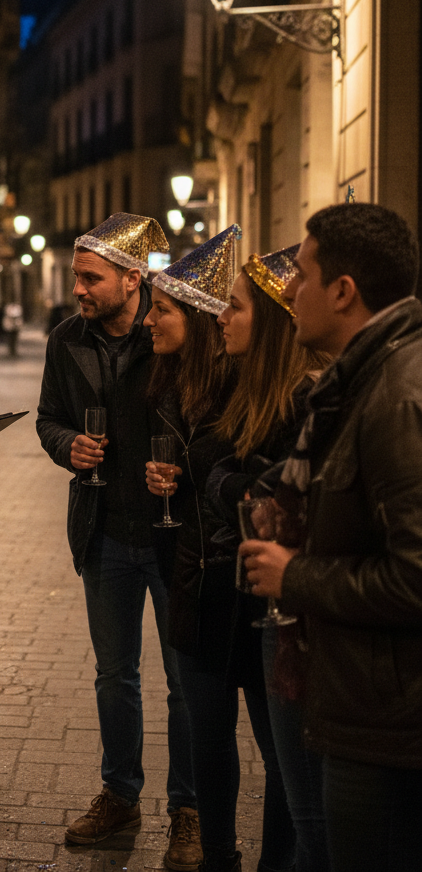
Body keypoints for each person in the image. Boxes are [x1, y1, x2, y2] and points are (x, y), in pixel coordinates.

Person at [239, 203, 422, 872]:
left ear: (344, 291)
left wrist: (296, 575)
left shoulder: (398, 393)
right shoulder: (358, 383)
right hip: (359, 700)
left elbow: (416, 574)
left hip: (387, 723)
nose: (287, 290)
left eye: (303, 274)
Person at [36, 214, 200, 871]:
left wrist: (183, 469)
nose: (77, 288)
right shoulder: (64, 340)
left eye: (89, 278)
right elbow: (49, 418)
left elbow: (205, 415)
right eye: (77, 276)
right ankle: (120, 794)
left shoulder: (170, 331)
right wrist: (64, 446)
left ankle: (188, 810)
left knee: (185, 683)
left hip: (170, 534)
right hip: (103, 530)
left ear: (132, 281)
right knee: (114, 675)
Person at [144, 227, 295, 872]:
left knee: (280, 749)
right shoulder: (167, 382)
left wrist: (208, 475)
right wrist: (176, 483)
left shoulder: (265, 394)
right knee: (207, 737)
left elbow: (268, 496)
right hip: (199, 576)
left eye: (163, 308)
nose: (150, 321)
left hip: (254, 592)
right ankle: (216, 857)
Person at [213, 247, 330, 872]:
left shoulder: (308, 402)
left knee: (305, 802)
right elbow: (227, 471)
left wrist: (234, 486)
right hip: (266, 605)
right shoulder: (253, 395)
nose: (222, 319)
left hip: (292, 612)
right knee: (288, 780)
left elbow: (259, 486)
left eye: (234, 307)